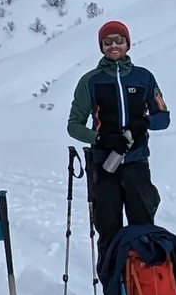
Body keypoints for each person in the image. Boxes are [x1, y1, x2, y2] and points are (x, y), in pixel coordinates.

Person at [67, 20, 170, 277]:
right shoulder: (90, 81)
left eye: (119, 40)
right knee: (108, 228)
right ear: (101, 46)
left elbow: (164, 117)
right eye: (108, 41)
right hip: (104, 165)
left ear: (127, 43)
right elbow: (74, 125)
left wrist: (144, 122)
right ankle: (112, 292)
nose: (114, 45)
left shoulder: (143, 77)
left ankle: (145, 288)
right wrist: (100, 139)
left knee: (143, 227)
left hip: (137, 162)